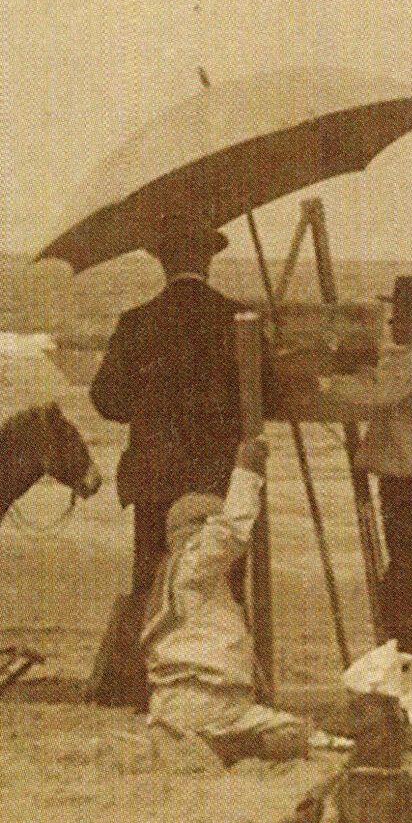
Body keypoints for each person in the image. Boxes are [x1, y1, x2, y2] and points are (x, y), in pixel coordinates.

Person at [87, 213, 246, 708]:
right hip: (217, 474)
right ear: (209, 262)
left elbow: (106, 400)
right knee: (219, 576)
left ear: (162, 263)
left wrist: (153, 405)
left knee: (153, 576)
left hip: (155, 470)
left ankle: (147, 686)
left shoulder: (137, 321)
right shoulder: (237, 320)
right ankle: (220, 678)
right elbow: (267, 399)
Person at [319, 275, 412, 713]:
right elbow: (380, 386)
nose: (391, 322)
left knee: (406, 588)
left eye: (398, 314)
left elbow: (371, 394)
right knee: (411, 585)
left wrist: (319, 382)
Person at [141, 436, 307, 766]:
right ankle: (220, 747)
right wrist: (247, 471)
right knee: (295, 735)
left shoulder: (175, 577)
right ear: (199, 529)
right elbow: (230, 531)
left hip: (172, 702)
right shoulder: (194, 561)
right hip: (207, 700)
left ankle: (186, 738)